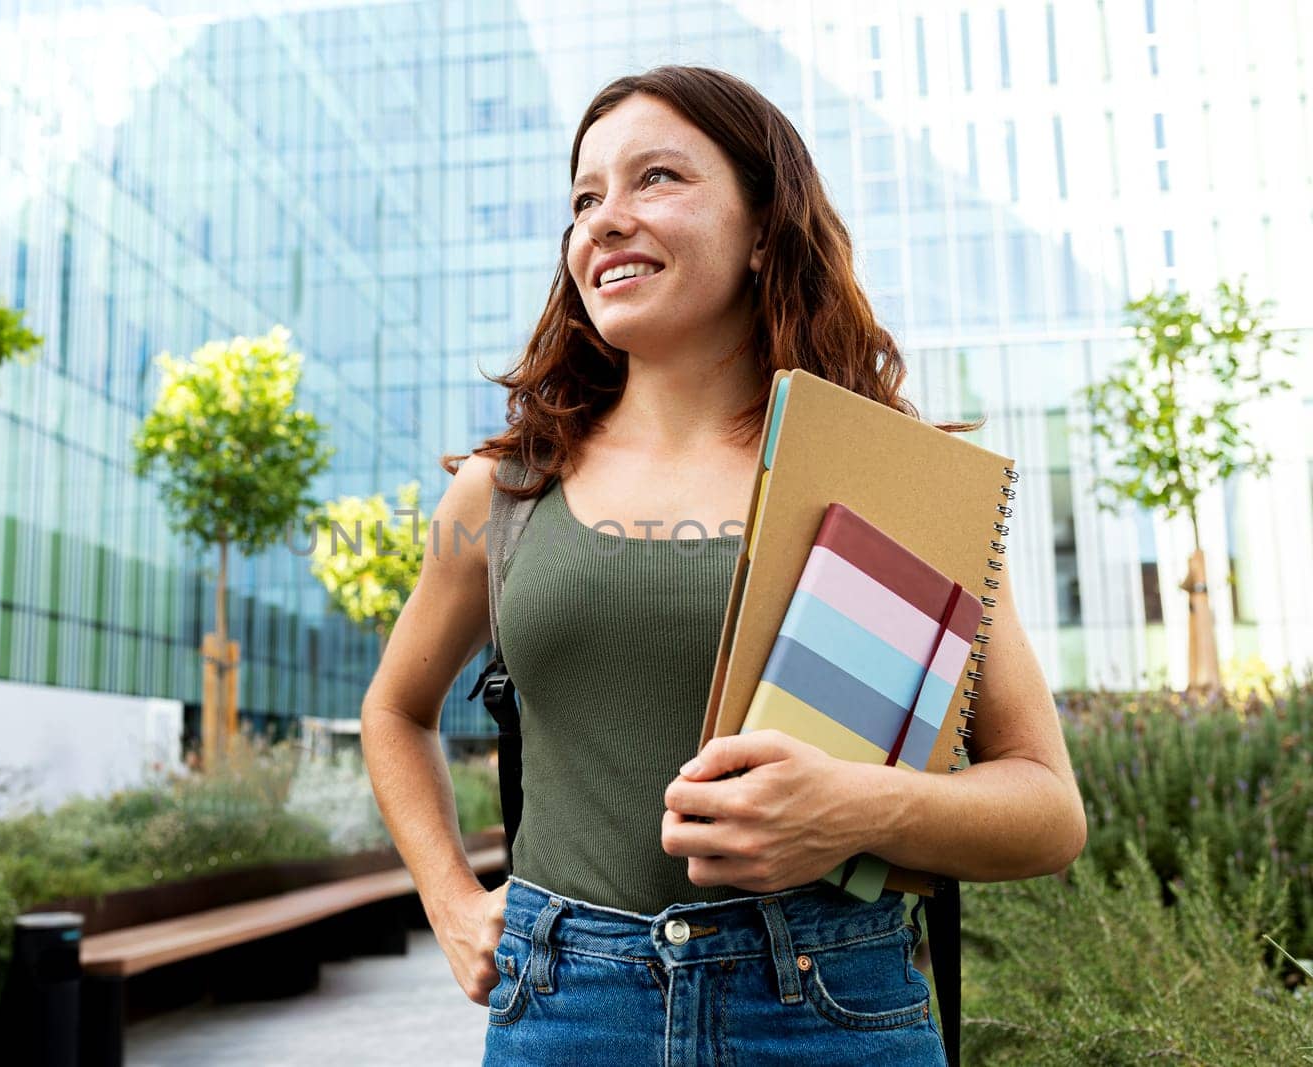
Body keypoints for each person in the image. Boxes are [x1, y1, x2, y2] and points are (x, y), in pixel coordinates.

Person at [361, 64, 1086, 1066]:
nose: (605, 219)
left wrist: (859, 806)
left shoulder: (895, 480)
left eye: (655, 178)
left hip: (829, 1002)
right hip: (566, 1007)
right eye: (583, 198)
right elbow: (393, 710)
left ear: (761, 229)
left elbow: (1046, 809)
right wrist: (447, 895)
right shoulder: (503, 491)